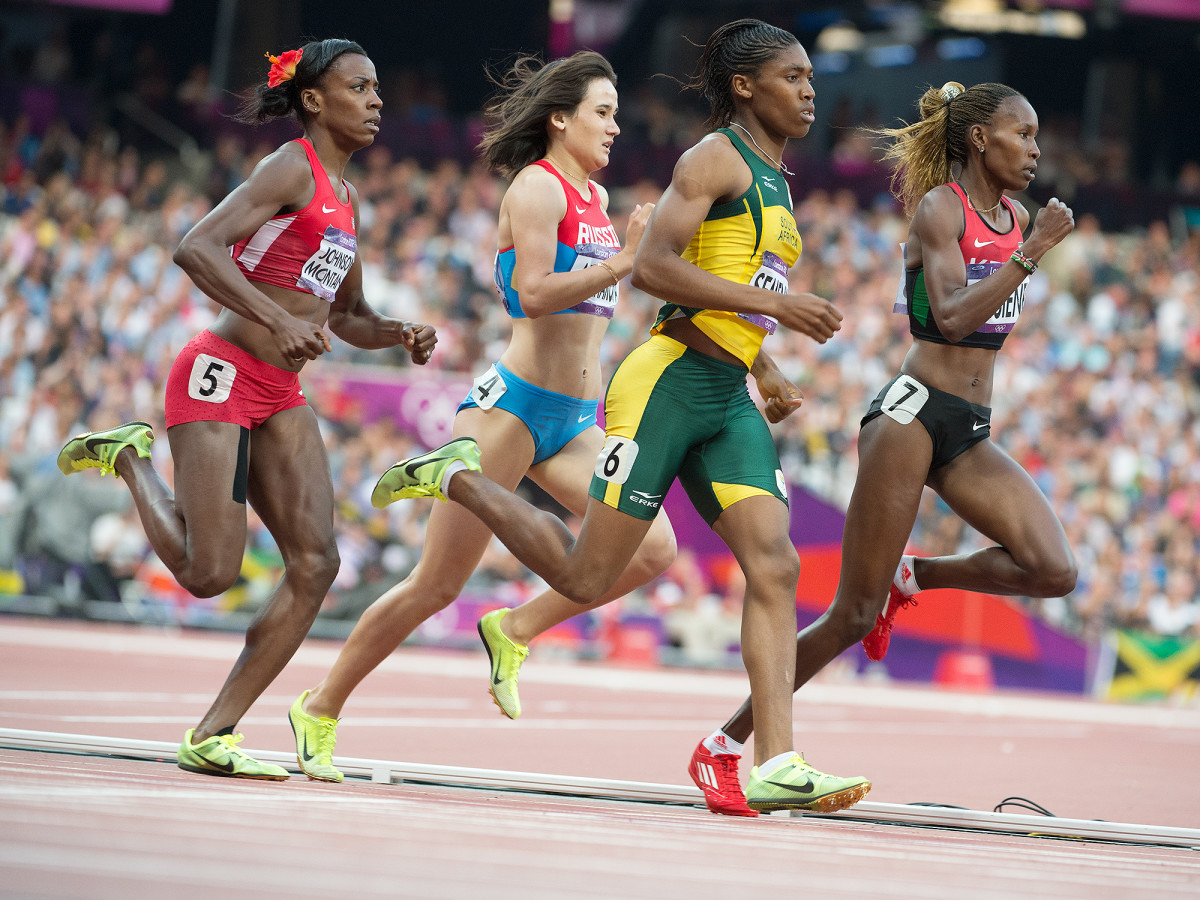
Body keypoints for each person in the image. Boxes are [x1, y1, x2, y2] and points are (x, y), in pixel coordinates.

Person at [370, 18, 870, 817]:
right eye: (794, 76)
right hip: (664, 386)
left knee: (775, 566)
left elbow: (722, 287)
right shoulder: (713, 159)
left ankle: (776, 761)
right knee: (586, 575)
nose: (811, 90)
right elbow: (657, 271)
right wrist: (774, 306)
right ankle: (458, 483)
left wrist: (764, 362)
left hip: (727, 394)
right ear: (745, 87)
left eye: (812, 77)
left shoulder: (778, 181)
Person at [290, 50, 677, 780]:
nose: (616, 127)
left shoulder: (593, 199)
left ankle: (515, 627)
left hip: (574, 417)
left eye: (618, 114)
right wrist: (624, 263)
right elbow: (528, 294)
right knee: (437, 585)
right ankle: (320, 705)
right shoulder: (538, 188)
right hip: (514, 410)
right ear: (560, 118)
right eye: (603, 112)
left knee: (652, 549)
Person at [57, 39, 437, 780]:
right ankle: (128, 456)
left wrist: (395, 332)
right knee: (209, 574)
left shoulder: (348, 199)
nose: (377, 100)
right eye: (360, 87)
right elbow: (195, 247)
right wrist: (279, 321)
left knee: (317, 561)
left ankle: (214, 732)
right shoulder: (289, 167)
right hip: (219, 375)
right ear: (315, 101)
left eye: (379, 88)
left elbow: (347, 314)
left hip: (278, 392)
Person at [695, 81, 1079, 813]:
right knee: (849, 614)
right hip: (910, 418)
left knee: (1052, 569)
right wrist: (1031, 254)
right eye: (1021, 136)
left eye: (1036, 138)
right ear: (978, 140)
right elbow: (953, 320)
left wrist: (1025, 242)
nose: (1034, 150)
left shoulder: (1017, 216)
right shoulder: (943, 211)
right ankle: (722, 746)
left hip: (968, 429)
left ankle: (917, 578)